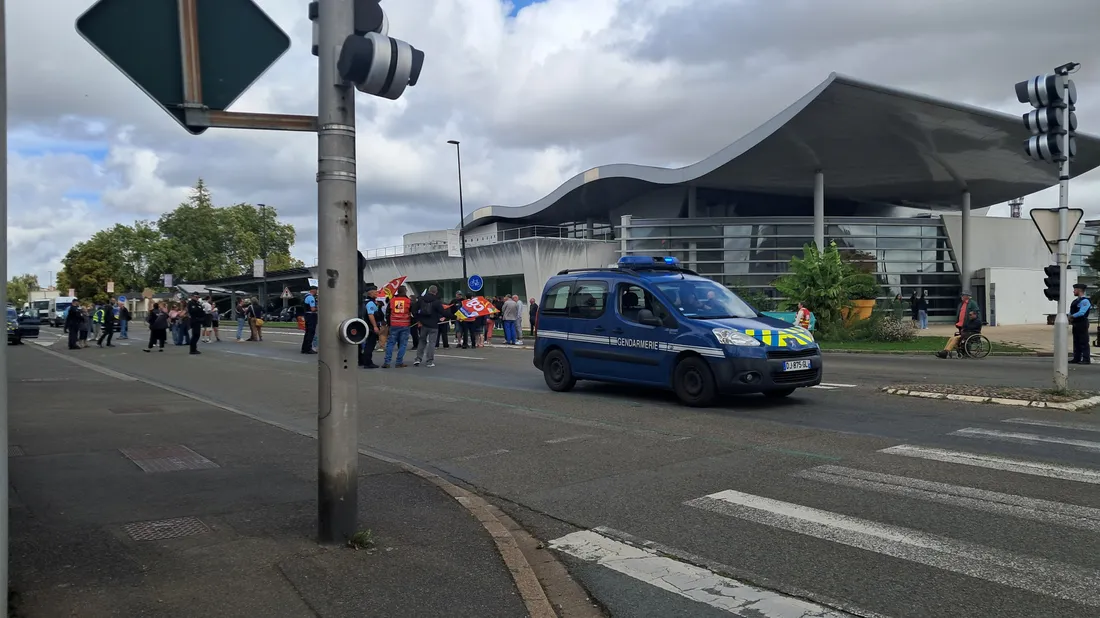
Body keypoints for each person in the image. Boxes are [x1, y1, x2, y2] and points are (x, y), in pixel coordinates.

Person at [413, 285, 444, 367]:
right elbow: (443, 312)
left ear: (429, 291)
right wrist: (454, 316)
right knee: (432, 343)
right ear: (436, 292)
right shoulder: (437, 301)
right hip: (433, 325)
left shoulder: (421, 299)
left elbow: (414, 310)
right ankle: (429, 361)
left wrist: (418, 320)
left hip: (423, 324)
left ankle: (418, 359)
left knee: (422, 341)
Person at [382, 286, 413, 368]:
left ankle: (387, 362)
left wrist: (389, 323)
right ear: (405, 291)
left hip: (394, 324)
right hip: (405, 324)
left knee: (390, 343)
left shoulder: (392, 301)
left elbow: (387, 313)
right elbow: (412, 312)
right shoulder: (408, 301)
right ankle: (399, 362)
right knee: (403, 344)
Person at [1070, 283, 1092, 365]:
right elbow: (1072, 311)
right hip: (1075, 323)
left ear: (1079, 290)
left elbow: (1082, 312)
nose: (1073, 291)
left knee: (1084, 341)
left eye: (1075, 290)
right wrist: (1069, 316)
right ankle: (1076, 358)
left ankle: (1086, 359)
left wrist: (1072, 316)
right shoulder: (1075, 301)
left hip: (1082, 323)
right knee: (1076, 341)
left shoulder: (1085, 301)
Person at [360, 286, 380, 368]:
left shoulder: (365, 301)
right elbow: (370, 315)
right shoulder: (370, 303)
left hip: (365, 325)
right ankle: (368, 362)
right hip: (370, 326)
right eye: (375, 292)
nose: (377, 293)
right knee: (370, 344)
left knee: (367, 344)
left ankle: (364, 360)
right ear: (370, 293)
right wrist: (375, 326)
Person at [302, 284, 319, 354]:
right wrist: (318, 308)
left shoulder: (306, 296)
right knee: (311, 333)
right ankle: (308, 349)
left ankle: (304, 348)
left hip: (307, 315)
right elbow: (312, 309)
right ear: (313, 290)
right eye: (316, 290)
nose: (317, 292)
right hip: (311, 316)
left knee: (307, 332)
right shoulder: (311, 297)